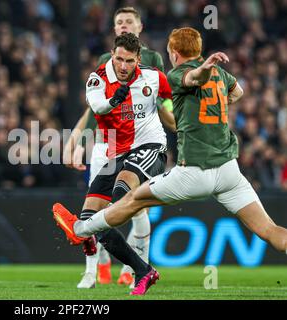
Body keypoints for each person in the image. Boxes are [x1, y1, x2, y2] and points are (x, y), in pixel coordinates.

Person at [54, 27, 287, 295]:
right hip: (229, 173)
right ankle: (135, 266)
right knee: (270, 231)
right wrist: (209, 103)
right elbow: (238, 94)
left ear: (174, 53)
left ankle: (80, 229)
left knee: (131, 201)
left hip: (193, 173)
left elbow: (193, 77)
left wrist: (202, 72)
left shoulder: (175, 74)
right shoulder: (222, 75)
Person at [63, 6, 174, 289]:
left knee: (122, 195)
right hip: (114, 149)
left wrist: (186, 127)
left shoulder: (154, 73)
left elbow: (173, 100)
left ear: (139, 57)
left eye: (129, 61)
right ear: (113, 53)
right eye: (119, 59)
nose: (123, 66)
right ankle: (141, 270)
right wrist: (79, 137)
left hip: (149, 145)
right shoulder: (97, 77)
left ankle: (81, 232)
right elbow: (96, 107)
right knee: (95, 218)